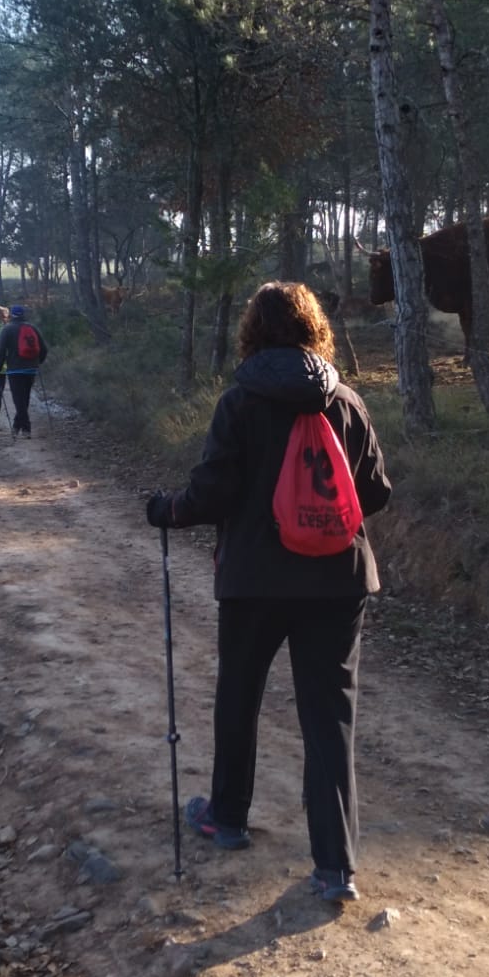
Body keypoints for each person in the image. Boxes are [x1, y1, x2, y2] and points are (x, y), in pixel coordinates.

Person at [143, 281, 391, 903]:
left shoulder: (241, 401)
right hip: (338, 580)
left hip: (255, 580)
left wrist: (167, 510)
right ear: (315, 330)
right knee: (329, 716)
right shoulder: (347, 401)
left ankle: (226, 818)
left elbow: (212, 494)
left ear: (253, 331)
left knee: (240, 696)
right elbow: (377, 492)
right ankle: (336, 868)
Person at [0, 303, 48, 435]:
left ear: (11, 315)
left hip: (15, 370)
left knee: (18, 399)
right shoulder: (33, 328)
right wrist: (37, 362)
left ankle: (26, 428)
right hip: (31, 369)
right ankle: (16, 426)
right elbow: (44, 349)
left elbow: (0, 351)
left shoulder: (7, 329)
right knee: (25, 398)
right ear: (24, 314)